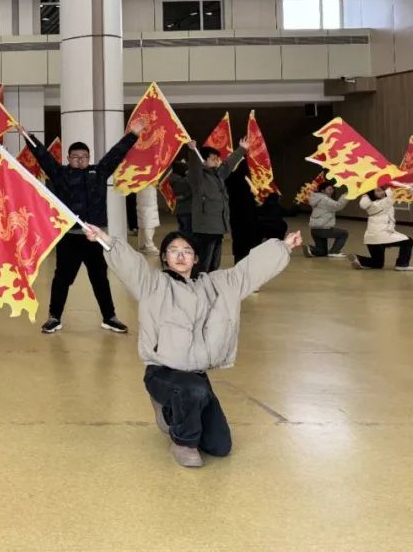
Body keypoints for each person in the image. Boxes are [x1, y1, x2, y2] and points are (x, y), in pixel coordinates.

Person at [84, 224, 299, 467]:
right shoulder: (152, 284)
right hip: (162, 372)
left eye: (187, 251)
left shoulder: (217, 284)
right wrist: (105, 239)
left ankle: (170, 411)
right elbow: (130, 265)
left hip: (196, 375)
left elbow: (248, 271)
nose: (180, 255)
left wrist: (283, 247)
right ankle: (183, 443)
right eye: (173, 250)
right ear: (164, 257)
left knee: (220, 446)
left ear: (196, 258)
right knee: (192, 391)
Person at [20, 123, 142, 335]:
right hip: (69, 237)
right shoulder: (60, 174)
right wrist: (28, 136)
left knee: (100, 278)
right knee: (62, 279)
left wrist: (133, 135)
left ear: (89, 157)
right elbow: (43, 156)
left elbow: (116, 153)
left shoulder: (99, 172)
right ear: (68, 158)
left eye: (84, 157)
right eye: (75, 157)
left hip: (94, 237)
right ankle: (54, 317)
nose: (80, 160)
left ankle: (109, 317)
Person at [186, 138, 249, 272]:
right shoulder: (198, 179)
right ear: (204, 160)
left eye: (217, 159)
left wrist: (242, 149)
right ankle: (199, 283)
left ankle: (211, 282)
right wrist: (193, 152)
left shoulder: (218, 175)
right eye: (213, 159)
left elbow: (228, 164)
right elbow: (194, 167)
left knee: (214, 263)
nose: (216, 161)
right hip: (205, 229)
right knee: (203, 263)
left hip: (218, 227)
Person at [350, 187, 413, 271]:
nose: (381, 192)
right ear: (372, 192)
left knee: (378, 263)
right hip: (381, 236)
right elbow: (391, 195)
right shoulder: (376, 204)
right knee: (408, 241)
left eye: (382, 190)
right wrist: (406, 189)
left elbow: (394, 197)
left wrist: (406, 191)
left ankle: (359, 259)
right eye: (378, 191)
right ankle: (402, 264)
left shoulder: (385, 202)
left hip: (372, 238)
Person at [304, 181, 349, 258]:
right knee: (344, 233)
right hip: (323, 229)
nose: (332, 191)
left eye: (332, 189)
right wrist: (347, 194)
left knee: (322, 252)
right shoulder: (324, 199)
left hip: (314, 230)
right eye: (329, 189)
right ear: (322, 191)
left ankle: (310, 249)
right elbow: (338, 206)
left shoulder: (316, 198)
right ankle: (334, 252)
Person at [168, 161, 193, 233]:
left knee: (182, 228)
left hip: (178, 210)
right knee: (187, 231)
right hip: (187, 210)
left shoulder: (171, 180)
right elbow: (191, 191)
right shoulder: (184, 182)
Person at [136, 184, 160, 255]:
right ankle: (149, 246)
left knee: (143, 224)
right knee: (149, 224)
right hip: (148, 200)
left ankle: (142, 245)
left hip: (143, 199)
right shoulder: (147, 178)